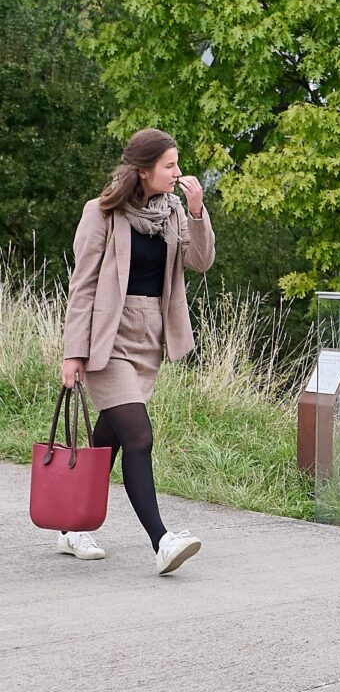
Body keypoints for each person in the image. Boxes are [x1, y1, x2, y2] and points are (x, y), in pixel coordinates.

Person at [56, 128, 215, 574]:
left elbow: (200, 262)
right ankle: (161, 540)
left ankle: (70, 525)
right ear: (143, 171)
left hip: (150, 340)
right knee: (139, 437)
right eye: (169, 165)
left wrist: (198, 212)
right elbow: (83, 285)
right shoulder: (102, 212)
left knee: (107, 440)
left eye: (177, 164)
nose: (177, 172)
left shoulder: (173, 215)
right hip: (108, 340)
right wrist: (74, 353)